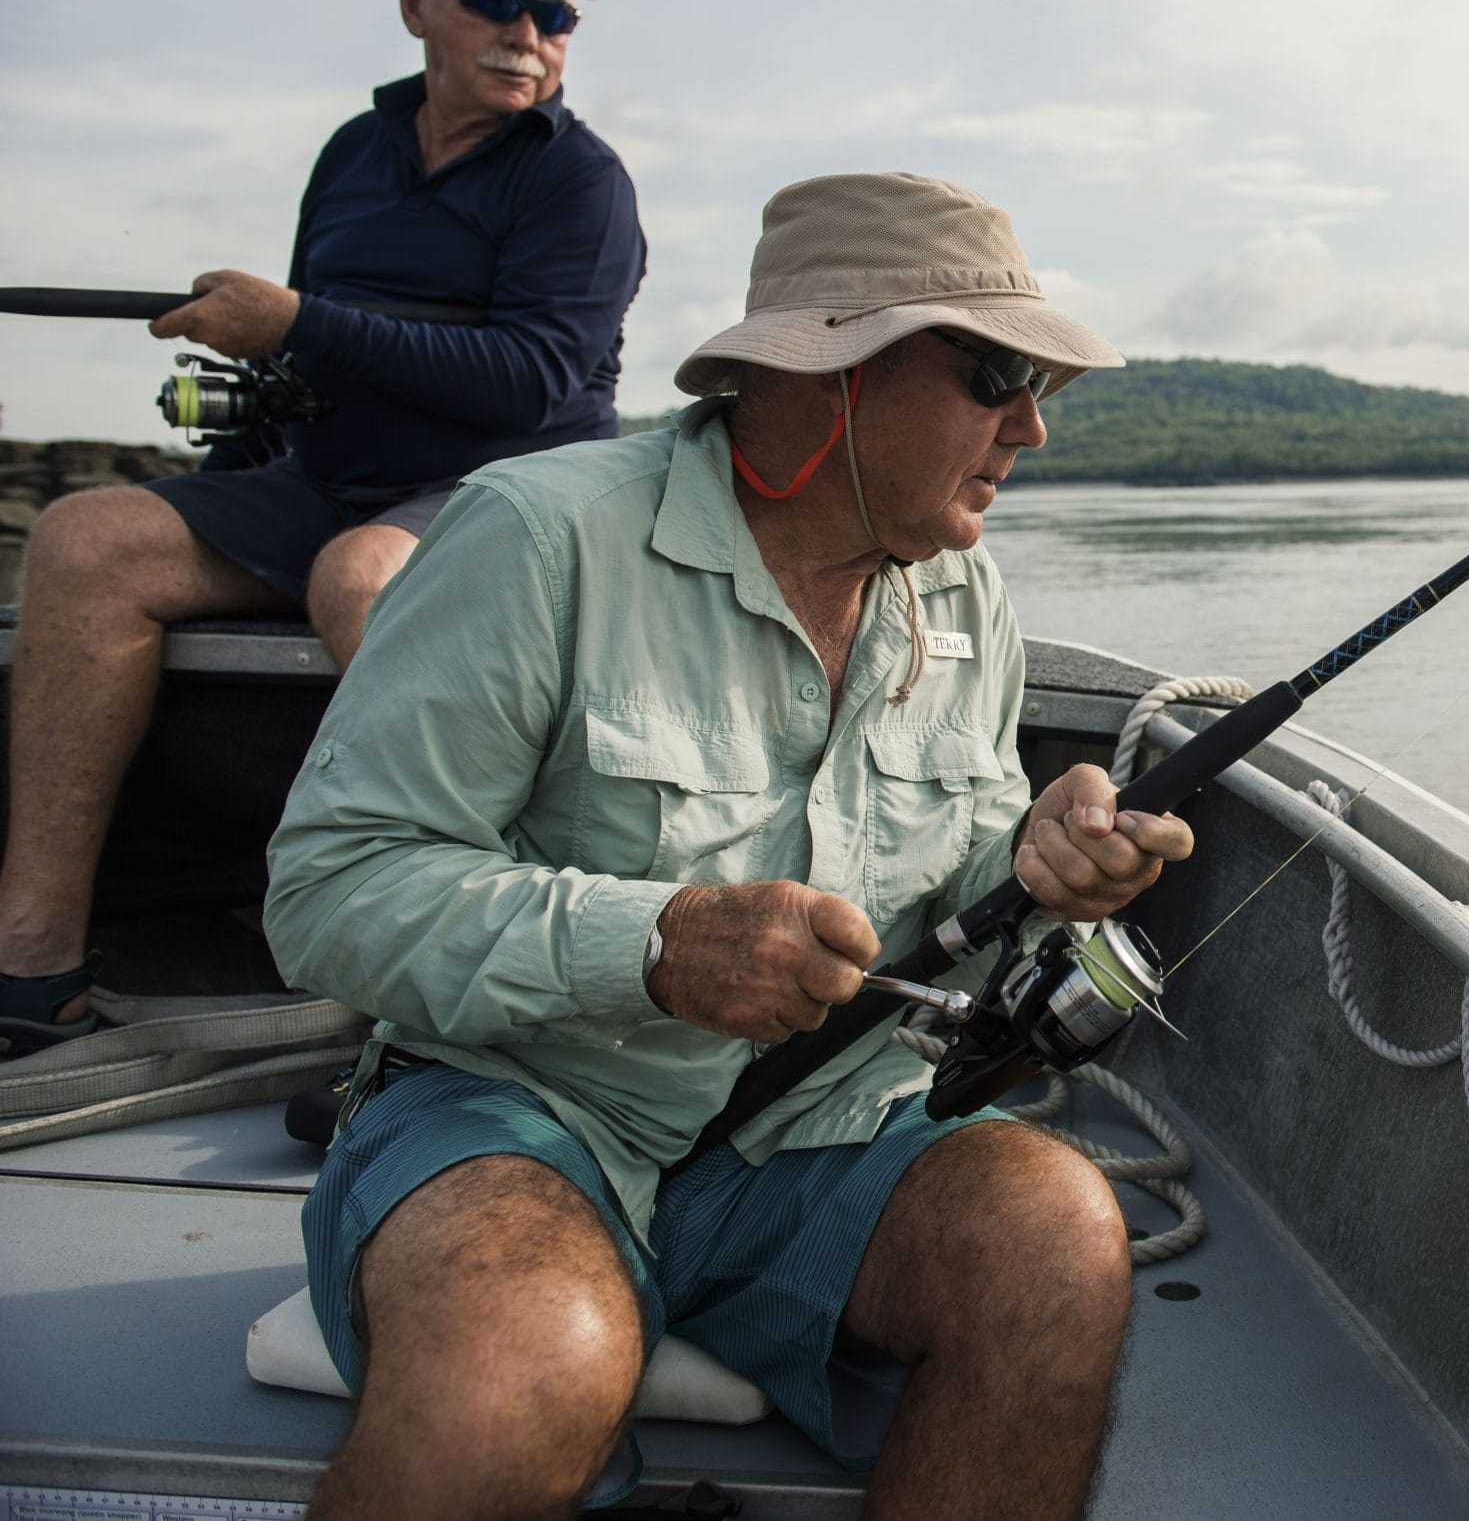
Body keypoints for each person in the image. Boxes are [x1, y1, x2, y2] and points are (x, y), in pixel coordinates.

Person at [260, 172, 1190, 1520]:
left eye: (1043, 386)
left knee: (1055, 1241)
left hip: (820, 1130)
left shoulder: (966, 591)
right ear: (831, 376)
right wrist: (653, 945)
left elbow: (958, 892)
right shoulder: (536, 534)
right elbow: (332, 889)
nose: (1031, 425)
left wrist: (1043, 866)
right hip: (517, 1110)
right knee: (522, 1378)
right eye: (997, 375)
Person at [0, 0, 645, 1050]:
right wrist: (238, 449)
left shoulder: (581, 181)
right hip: (329, 477)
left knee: (358, 575)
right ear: (416, 1)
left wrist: (298, 318)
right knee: (87, 539)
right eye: (496, 0)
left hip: (511, 488)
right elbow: (298, 361)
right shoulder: (353, 152)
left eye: (554, 16)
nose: (527, 33)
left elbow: (533, 380)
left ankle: (467, 955)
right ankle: (32, 967)